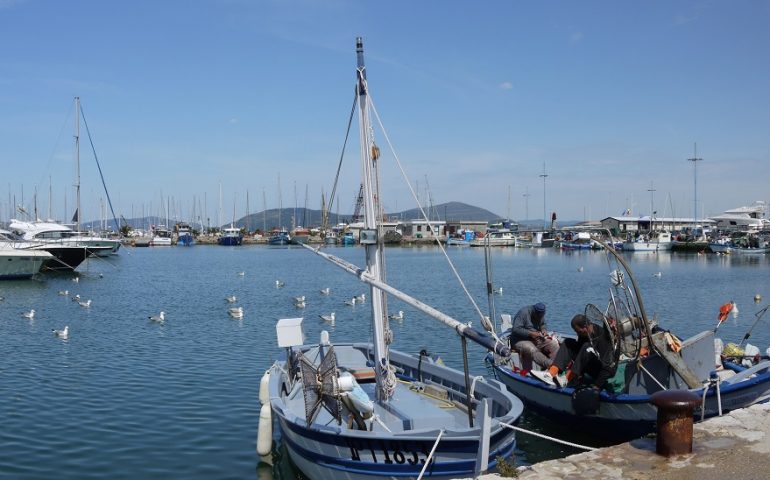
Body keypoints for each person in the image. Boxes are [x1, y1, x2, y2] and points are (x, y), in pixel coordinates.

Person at [535, 314, 616, 389]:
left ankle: (566, 379)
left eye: (578, 331)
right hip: (586, 363)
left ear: (585, 327)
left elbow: (608, 364)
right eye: (576, 332)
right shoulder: (583, 335)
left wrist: (597, 385)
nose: (577, 334)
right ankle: (552, 373)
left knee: (587, 347)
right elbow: (579, 355)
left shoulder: (602, 336)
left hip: (599, 369)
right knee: (568, 342)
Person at [510, 302, 558, 370]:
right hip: (520, 340)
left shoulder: (540, 314)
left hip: (536, 339)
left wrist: (543, 330)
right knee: (531, 349)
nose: (540, 317)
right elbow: (516, 329)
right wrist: (530, 333)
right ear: (534, 312)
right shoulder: (523, 313)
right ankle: (550, 365)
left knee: (553, 343)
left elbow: (543, 324)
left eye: (542, 315)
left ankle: (555, 367)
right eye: (538, 316)